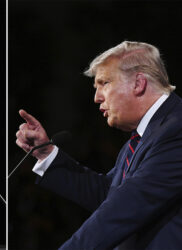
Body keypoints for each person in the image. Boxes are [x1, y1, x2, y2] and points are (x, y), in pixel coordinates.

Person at [16, 41, 182, 249]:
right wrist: (46, 153)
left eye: (104, 83)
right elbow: (109, 195)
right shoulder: (145, 136)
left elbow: (125, 206)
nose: (96, 97)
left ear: (138, 84)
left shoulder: (176, 130)